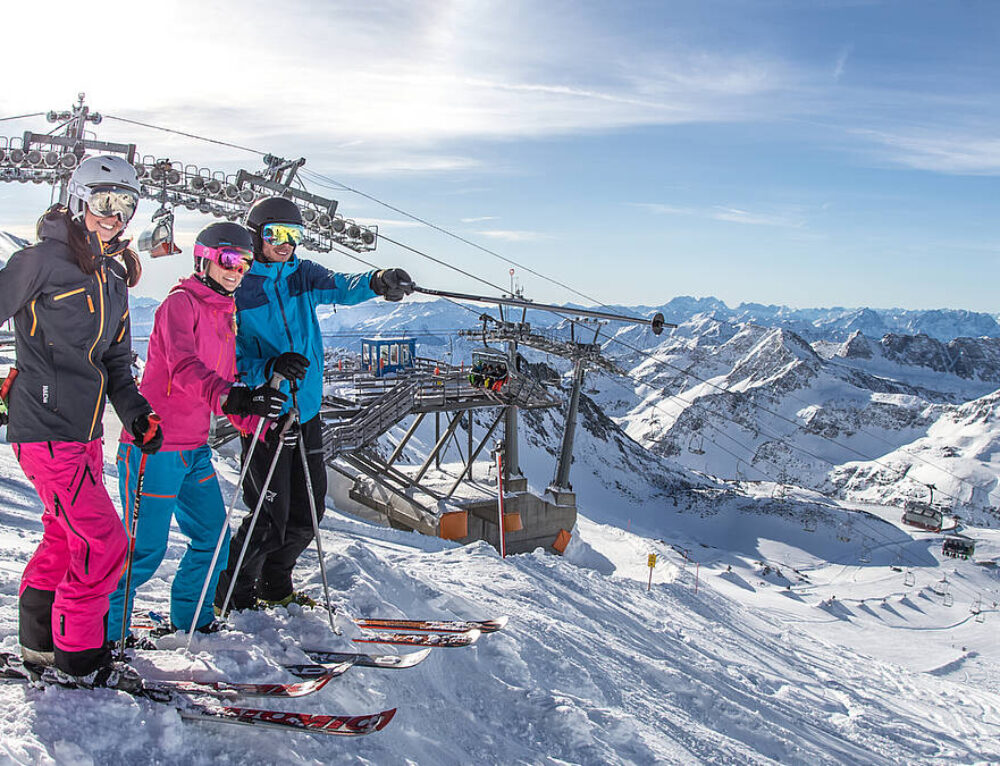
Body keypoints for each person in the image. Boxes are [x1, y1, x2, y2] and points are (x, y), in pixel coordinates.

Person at [0, 155, 162, 690]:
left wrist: (136, 414)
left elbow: (115, 362)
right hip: (44, 429)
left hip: (85, 434)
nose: (113, 216)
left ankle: (40, 646)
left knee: (65, 538)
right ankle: (79, 660)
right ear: (77, 200)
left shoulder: (113, 276)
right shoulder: (40, 261)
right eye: (103, 202)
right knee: (101, 543)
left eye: (125, 205)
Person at [214, 196, 413, 612]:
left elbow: (343, 284)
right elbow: (225, 355)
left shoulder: (301, 274)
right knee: (269, 517)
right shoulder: (239, 285)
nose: (285, 243)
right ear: (256, 235)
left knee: (308, 514)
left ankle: (275, 585)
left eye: (294, 235)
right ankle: (234, 594)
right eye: (275, 234)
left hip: (305, 412)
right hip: (267, 412)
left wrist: (378, 280)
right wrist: (267, 366)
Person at [107, 222, 286, 642]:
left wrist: (261, 424)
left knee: (212, 540)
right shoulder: (180, 304)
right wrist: (234, 398)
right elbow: (185, 369)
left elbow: (224, 382)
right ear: (204, 258)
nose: (237, 269)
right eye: (228, 259)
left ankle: (192, 620)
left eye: (245, 262)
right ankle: (103, 634)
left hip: (194, 450)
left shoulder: (225, 312)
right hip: (155, 447)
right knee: (143, 553)